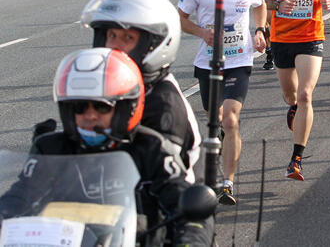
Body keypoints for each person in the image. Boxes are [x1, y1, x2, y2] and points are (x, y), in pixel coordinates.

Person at [0, 48, 213, 245]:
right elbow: (19, 197)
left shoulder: (151, 148)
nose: (90, 115)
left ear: (124, 108)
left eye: (102, 107)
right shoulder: (50, 149)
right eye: (79, 107)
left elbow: (183, 203)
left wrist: (191, 239)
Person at [80, 0, 201, 182]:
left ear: (155, 44)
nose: (113, 46)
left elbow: (147, 182)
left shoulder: (163, 104)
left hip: (163, 205)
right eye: (111, 36)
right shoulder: (122, 86)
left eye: (127, 37)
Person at [178, 0, 267, 204]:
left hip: (239, 60)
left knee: (230, 119)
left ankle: (227, 183)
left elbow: (260, 5)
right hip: (207, 63)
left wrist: (260, 30)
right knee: (214, 119)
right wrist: (202, 32)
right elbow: (180, 17)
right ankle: (220, 140)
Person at [254, 0, 330, 181]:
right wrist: (276, 4)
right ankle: (292, 108)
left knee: (305, 95)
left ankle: (296, 159)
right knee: (291, 97)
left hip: (311, 35)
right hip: (281, 38)